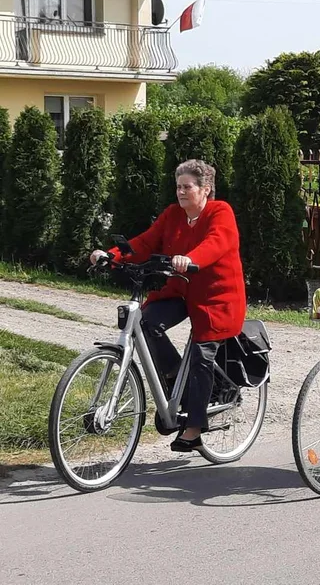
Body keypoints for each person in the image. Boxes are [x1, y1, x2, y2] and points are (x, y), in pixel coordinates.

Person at [90, 159, 246, 452]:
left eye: (187, 186)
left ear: (205, 189)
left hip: (216, 295)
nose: (181, 192)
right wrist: (111, 255)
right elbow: (145, 242)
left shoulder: (220, 212)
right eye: (178, 186)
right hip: (179, 289)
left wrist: (191, 258)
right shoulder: (173, 214)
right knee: (146, 323)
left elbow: (217, 242)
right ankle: (175, 375)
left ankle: (195, 428)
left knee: (202, 355)